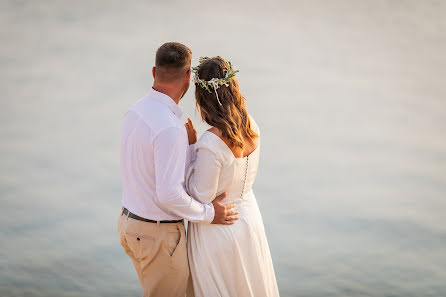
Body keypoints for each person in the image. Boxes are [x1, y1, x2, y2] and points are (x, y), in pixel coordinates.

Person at [117, 43, 239, 297]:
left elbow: (153, 169)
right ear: (187, 77)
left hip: (130, 225)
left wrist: (190, 148)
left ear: (154, 72)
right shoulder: (170, 128)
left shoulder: (136, 110)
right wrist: (209, 214)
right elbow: (169, 194)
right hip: (157, 236)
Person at [184, 56, 280, 297]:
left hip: (219, 230)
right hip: (249, 221)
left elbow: (200, 194)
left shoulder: (211, 142)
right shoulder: (252, 126)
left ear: (202, 97)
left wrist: (190, 148)